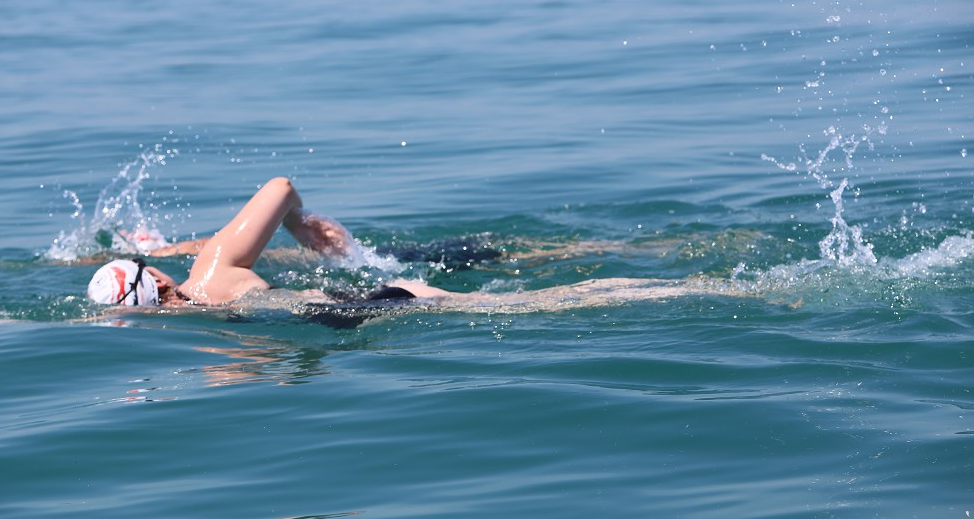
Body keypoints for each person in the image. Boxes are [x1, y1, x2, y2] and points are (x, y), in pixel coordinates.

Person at [86, 176, 740, 313]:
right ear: (154, 275)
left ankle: (700, 287)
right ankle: (692, 283)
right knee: (555, 300)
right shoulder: (208, 285)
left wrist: (296, 224)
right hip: (365, 300)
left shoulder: (212, 284)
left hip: (378, 298)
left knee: (559, 302)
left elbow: (281, 185)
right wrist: (293, 224)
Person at [87, 177, 446, 307]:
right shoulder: (209, 275)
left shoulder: (214, 358)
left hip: (339, 327)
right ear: (160, 280)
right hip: (378, 300)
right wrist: (296, 224)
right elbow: (281, 188)